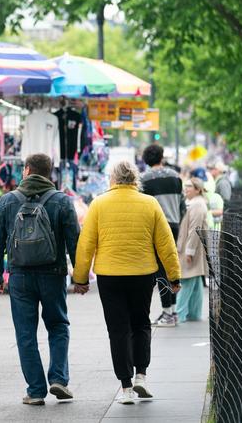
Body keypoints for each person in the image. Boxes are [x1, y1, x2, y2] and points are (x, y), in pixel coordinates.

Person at [73, 161, 181, 405]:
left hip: (110, 276)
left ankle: (126, 388)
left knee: (118, 330)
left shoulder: (99, 204)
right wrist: (173, 277)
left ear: (112, 179)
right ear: (135, 179)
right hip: (143, 274)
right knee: (141, 323)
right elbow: (166, 245)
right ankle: (141, 375)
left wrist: (80, 279)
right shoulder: (150, 203)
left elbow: (86, 244)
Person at [0, 153, 80, 405]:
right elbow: (75, 242)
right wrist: (80, 278)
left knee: (25, 333)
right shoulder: (62, 201)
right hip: (53, 274)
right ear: (49, 173)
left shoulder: (8, 201)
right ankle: (59, 379)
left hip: (20, 277)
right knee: (58, 326)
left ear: (26, 170)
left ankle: (36, 390)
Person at [140, 144, 185, 327]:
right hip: (174, 225)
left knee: (160, 271)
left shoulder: (144, 179)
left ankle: (167, 313)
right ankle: (173, 311)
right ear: (161, 156)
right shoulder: (175, 176)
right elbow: (182, 203)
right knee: (172, 267)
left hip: (157, 228)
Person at [175, 178, 209, 322]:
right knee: (194, 281)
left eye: (189, 187)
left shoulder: (197, 205)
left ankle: (179, 314)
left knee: (188, 279)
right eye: (186, 187)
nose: (186, 189)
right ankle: (194, 313)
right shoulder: (197, 203)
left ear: (198, 189)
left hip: (192, 247)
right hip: (195, 246)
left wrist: (189, 252)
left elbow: (194, 230)